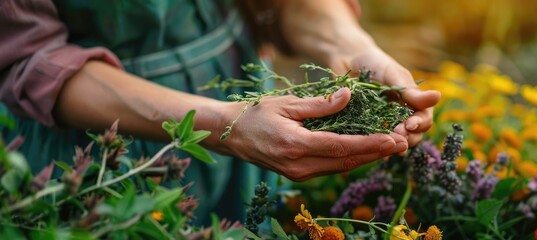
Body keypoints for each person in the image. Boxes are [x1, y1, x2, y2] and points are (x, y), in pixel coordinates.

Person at [0, 0, 440, 222]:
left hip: (251, 101)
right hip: (97, 154)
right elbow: (27, 55)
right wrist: (224, 123)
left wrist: (352, 47)